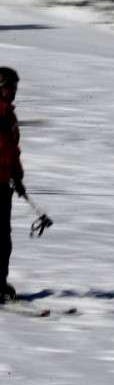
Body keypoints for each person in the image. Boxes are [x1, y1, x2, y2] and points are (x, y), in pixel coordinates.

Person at [0, 67, 25, 303]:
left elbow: (12, 150)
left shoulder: (9, 115)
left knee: (3, 239)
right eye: (10, 87)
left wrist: (17, 176)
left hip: (3, 184)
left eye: (15, 87)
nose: (14, 91)